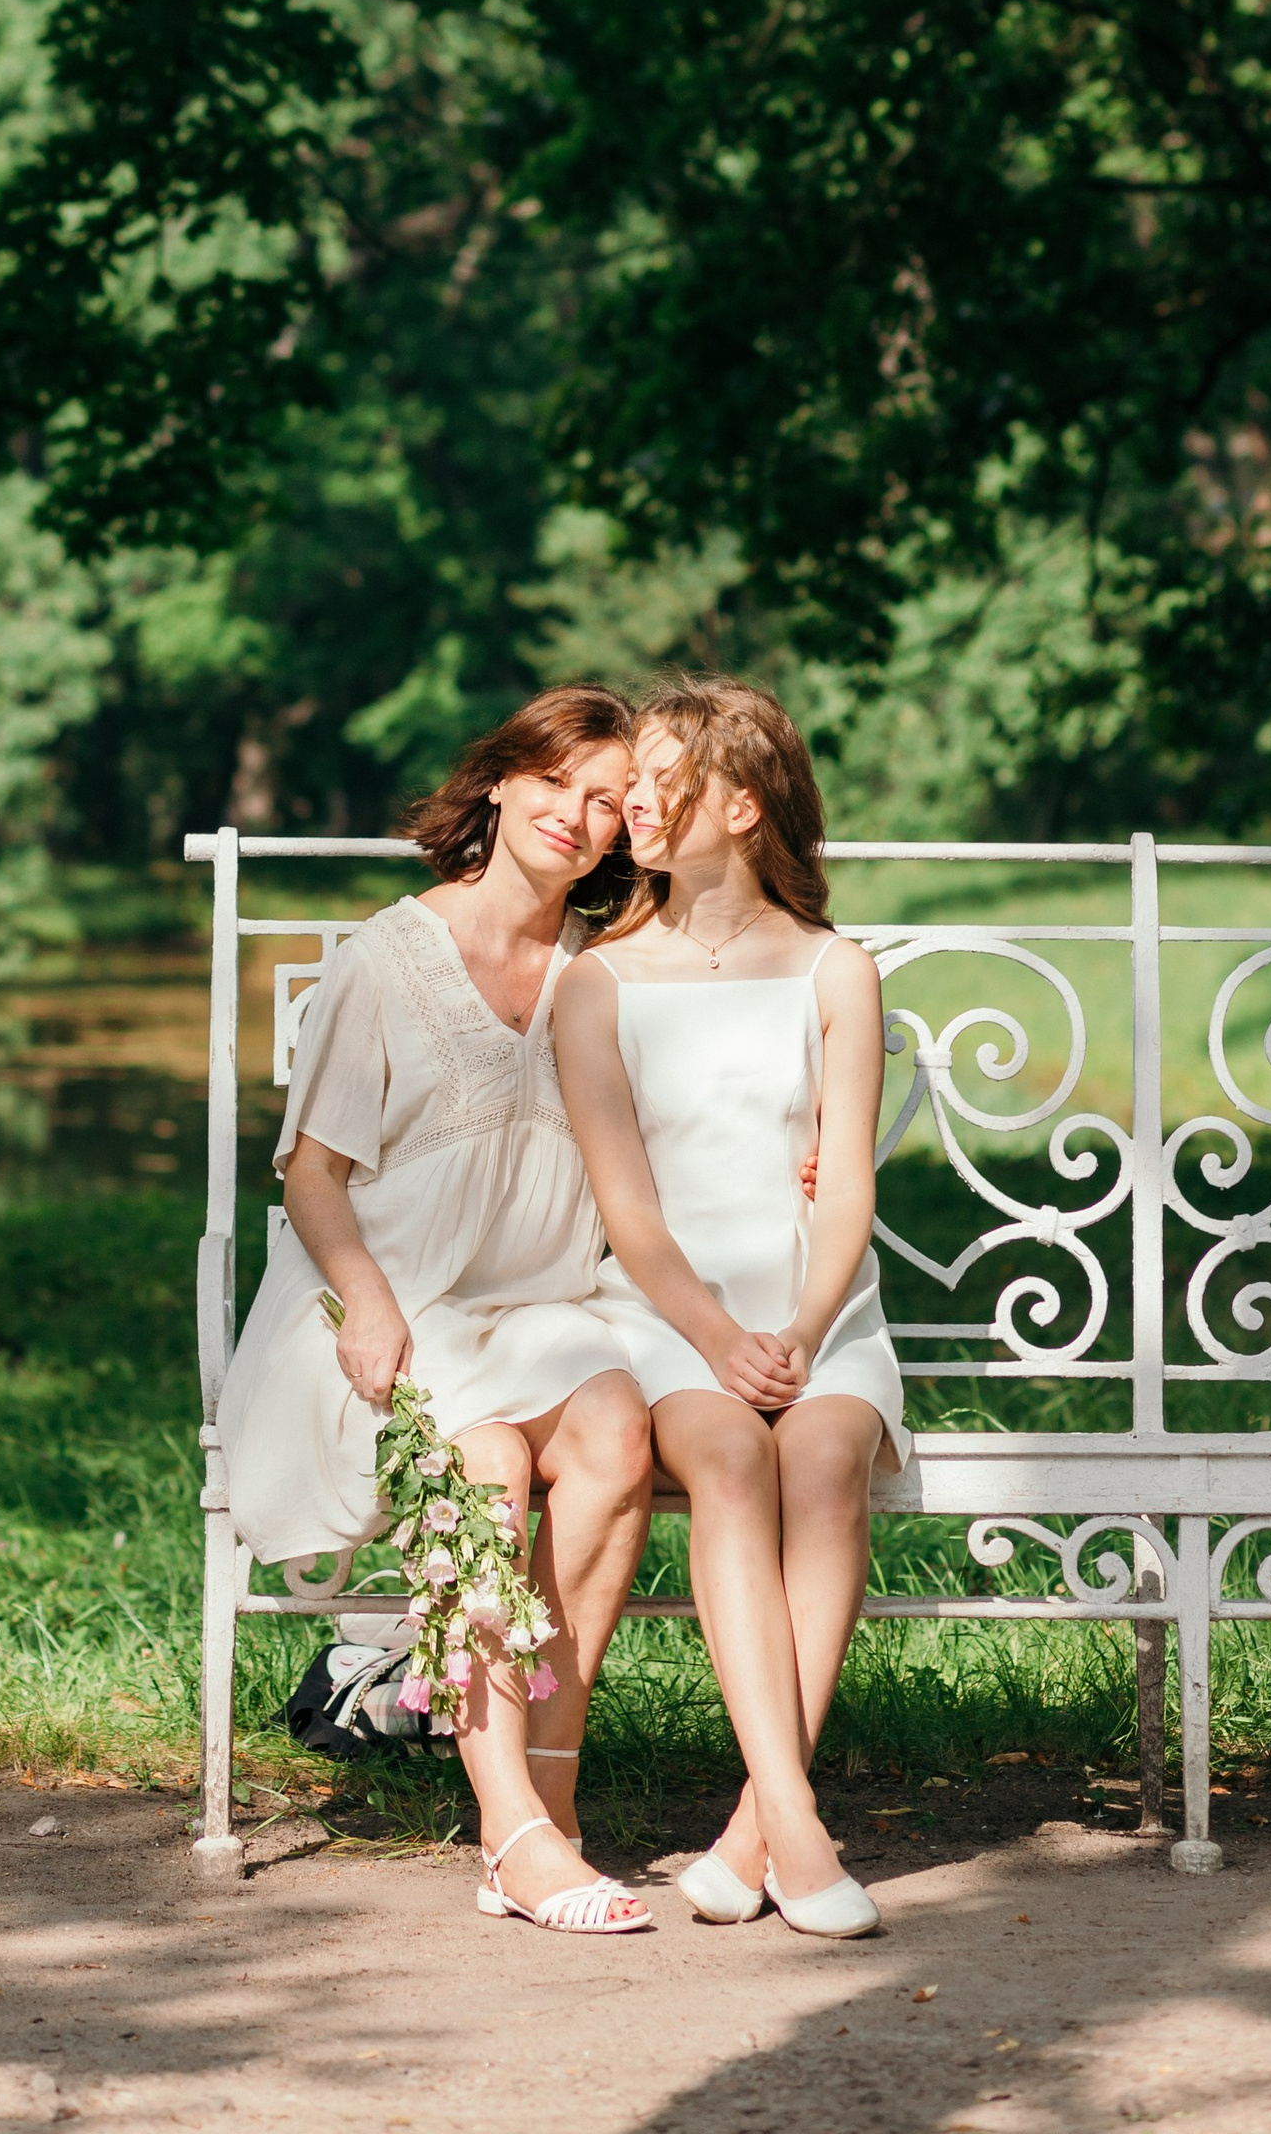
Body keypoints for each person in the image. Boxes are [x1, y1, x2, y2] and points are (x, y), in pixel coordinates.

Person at [217, 685, 660, 1932]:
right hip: (382, 1312)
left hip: (539, 1305)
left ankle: (552, 1813)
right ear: (505, 782)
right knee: (483, 1469)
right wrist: (365, 1302)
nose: (581, 818)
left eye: (613, 805)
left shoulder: (601, 974)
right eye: (562, 784)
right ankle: (512, 1828)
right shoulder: (390, 956)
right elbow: (313, 1173)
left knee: (616, 1437)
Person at [555, 675, 906, 1941]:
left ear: (742, 805)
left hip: (817, 1307)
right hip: (665, 1317)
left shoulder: (834, 969)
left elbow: (848, 1177)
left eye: (662, 780)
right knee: (727, 1460)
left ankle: (754, 1832)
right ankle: (799, 1835)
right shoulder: (600, 981)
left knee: (820, 1463)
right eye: (629, 782)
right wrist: (716, 1339)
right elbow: (629, 1210)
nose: (631, 803)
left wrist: (807, 1334)